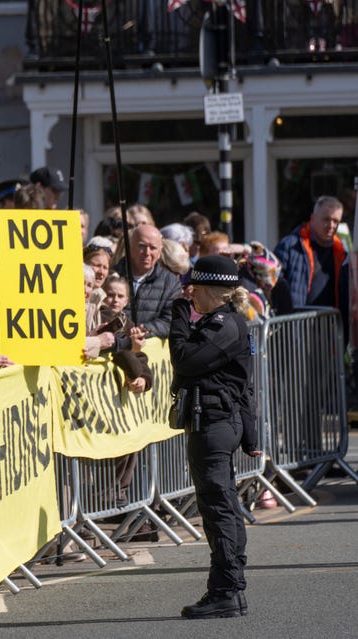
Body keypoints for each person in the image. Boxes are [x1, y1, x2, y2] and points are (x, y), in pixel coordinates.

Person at [169, 255, 262, 619]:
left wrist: (179, 317)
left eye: (194, 288)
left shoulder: (223, 324)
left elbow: (184, 359)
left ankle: (225, 590)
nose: (190, 294)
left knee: (218, 508)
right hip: (218, 422)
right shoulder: (223, 321)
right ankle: (230, 588)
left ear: (209, 290)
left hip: (214, 423)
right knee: (222, 505)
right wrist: (250, 436)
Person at [274, 195, 348, 321]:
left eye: (336, 221)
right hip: (297, 327)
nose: (331, 225)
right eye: (326, 219)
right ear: (312, 219)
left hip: (330, 329)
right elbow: (273, 281)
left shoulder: (342, 252)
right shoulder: (290, 246)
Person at [112, 224, 182, 341]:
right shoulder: (112, 276)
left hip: (149, 354)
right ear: (130, 247)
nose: (147, 252)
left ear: (160, 251)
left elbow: (169, 321)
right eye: (141, 246)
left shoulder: (171, 283)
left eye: (153, 248)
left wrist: (142, 330)